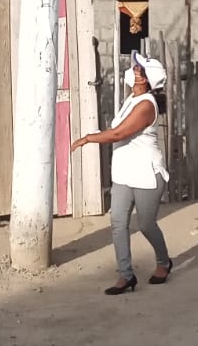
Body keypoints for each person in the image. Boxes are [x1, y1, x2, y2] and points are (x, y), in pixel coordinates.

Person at [71, 50, 172, 295]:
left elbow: (118, 134)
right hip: (124, 172)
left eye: (139, 69)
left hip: (147, 173)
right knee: (118, 223)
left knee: (146, 224)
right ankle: (126, 275)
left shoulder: (146, 105)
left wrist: (88, 138)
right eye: (135, 67)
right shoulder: (131, 99)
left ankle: (163, 262)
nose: (134, 69)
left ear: (147, 79)